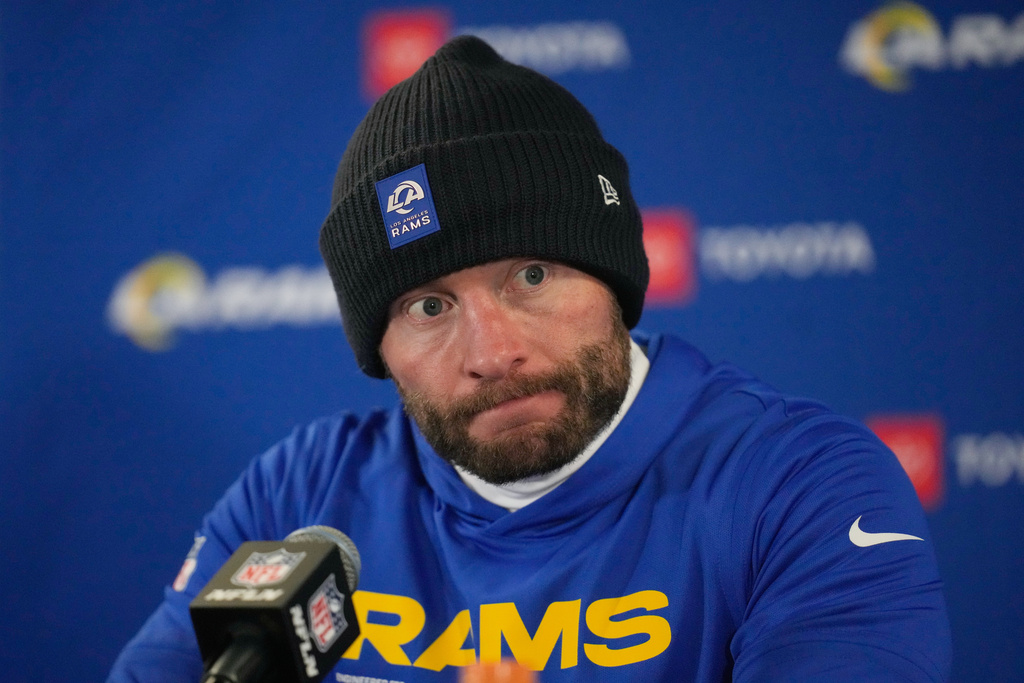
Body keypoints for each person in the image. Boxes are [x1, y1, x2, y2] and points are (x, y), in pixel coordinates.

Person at [109, 35, 952, 682]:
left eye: (532, 274)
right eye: (428, 305)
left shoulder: (798, 485)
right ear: (380, 348)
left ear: (614, 277)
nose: (494, 351)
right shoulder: (297, 497)